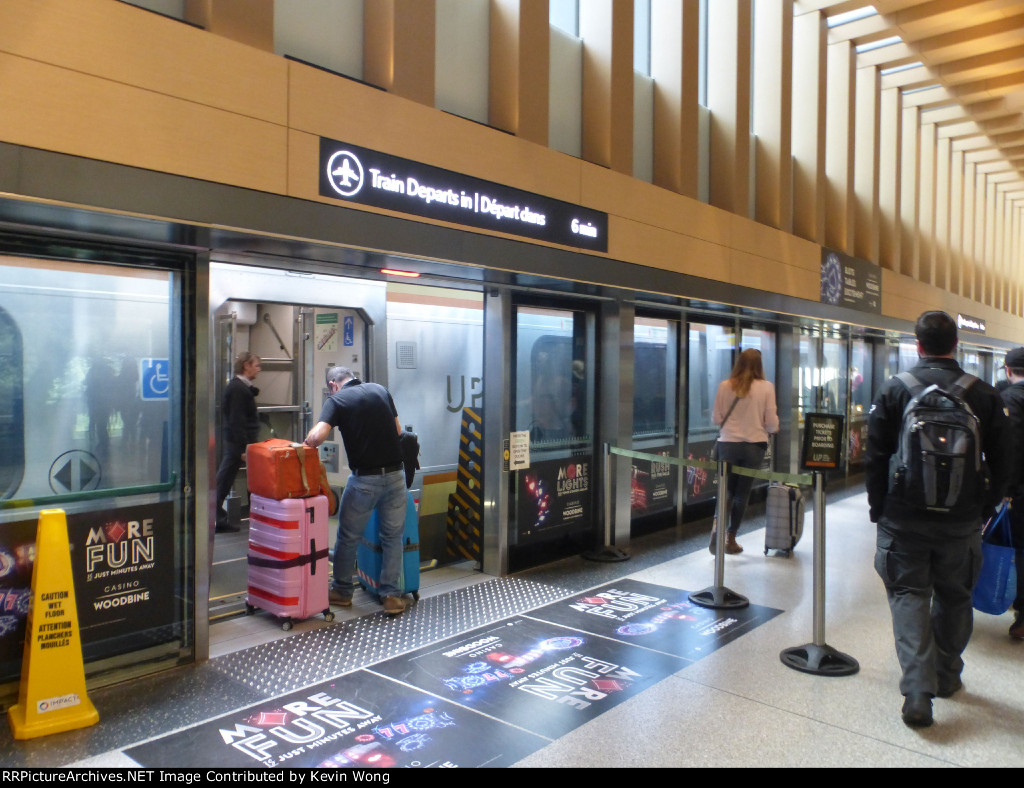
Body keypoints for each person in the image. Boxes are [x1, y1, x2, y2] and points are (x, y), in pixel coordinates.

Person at [866, 311, 1009, 728]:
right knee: (955, 596)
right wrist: (984, 508)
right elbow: (1003, 462)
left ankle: (917, 690)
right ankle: (946, 676)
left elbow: (875, 457)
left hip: (903, 519)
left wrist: (879, 509)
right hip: (962, 522)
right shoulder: (983, 394)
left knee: (909, 595)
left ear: (918, 344)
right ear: (956, 344)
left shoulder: (895, 389)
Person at [303, 366, 408, 616]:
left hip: (365, 481)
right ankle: (391, 595)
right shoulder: (380, 390)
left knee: (348, 537)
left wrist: (304, 443)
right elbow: (398, 431)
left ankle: (341, 590)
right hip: (396, 476)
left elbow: (318, 437)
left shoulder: (337, 400)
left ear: (332, 385)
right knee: (392, 537)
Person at [710, 348, 779, 555]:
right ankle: (731, 538)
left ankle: (716, 527)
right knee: (741, 493)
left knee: (726, 490)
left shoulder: (725, 385)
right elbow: (771, 424)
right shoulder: (767, 387)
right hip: (753, 446)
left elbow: (716, 418)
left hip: (727, 445)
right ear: (760, 365)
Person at [215, 352, 261, 534]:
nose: (259, 369)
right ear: (246, 366)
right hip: (240, 445)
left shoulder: (240, 388)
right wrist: (243, 447)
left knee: (227, 480)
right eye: (256, 365)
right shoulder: (238, 389)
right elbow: (237, 420)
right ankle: (215, 517)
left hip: (242, 444)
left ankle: (219, 516)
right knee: (224, 481)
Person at [998, 347, 1024, 640]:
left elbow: (1012, 450)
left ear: (1008, 371)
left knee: (1020, 548)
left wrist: (1005, 492)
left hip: (1020, 491)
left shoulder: (1009, 400)